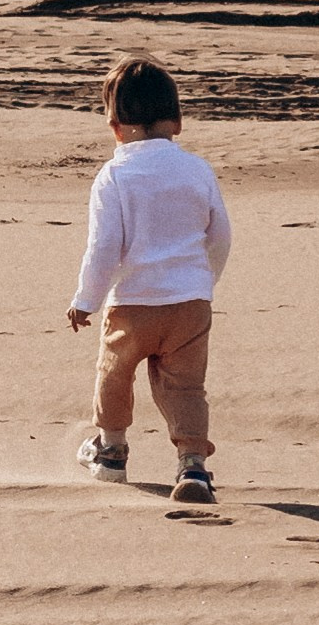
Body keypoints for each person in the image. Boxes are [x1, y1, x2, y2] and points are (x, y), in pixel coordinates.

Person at [68, 56, 231, 503]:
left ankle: (111, 450)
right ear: (176, 121)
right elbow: (219, 233)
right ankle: (194, 465)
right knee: (185, 387)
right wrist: (204, 281)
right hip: (190, 304)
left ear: (115, 125)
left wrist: (86, 299)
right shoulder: (197, 169)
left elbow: (104, 247)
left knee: (115, 373)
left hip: (133, 301)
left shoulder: (115, 175)